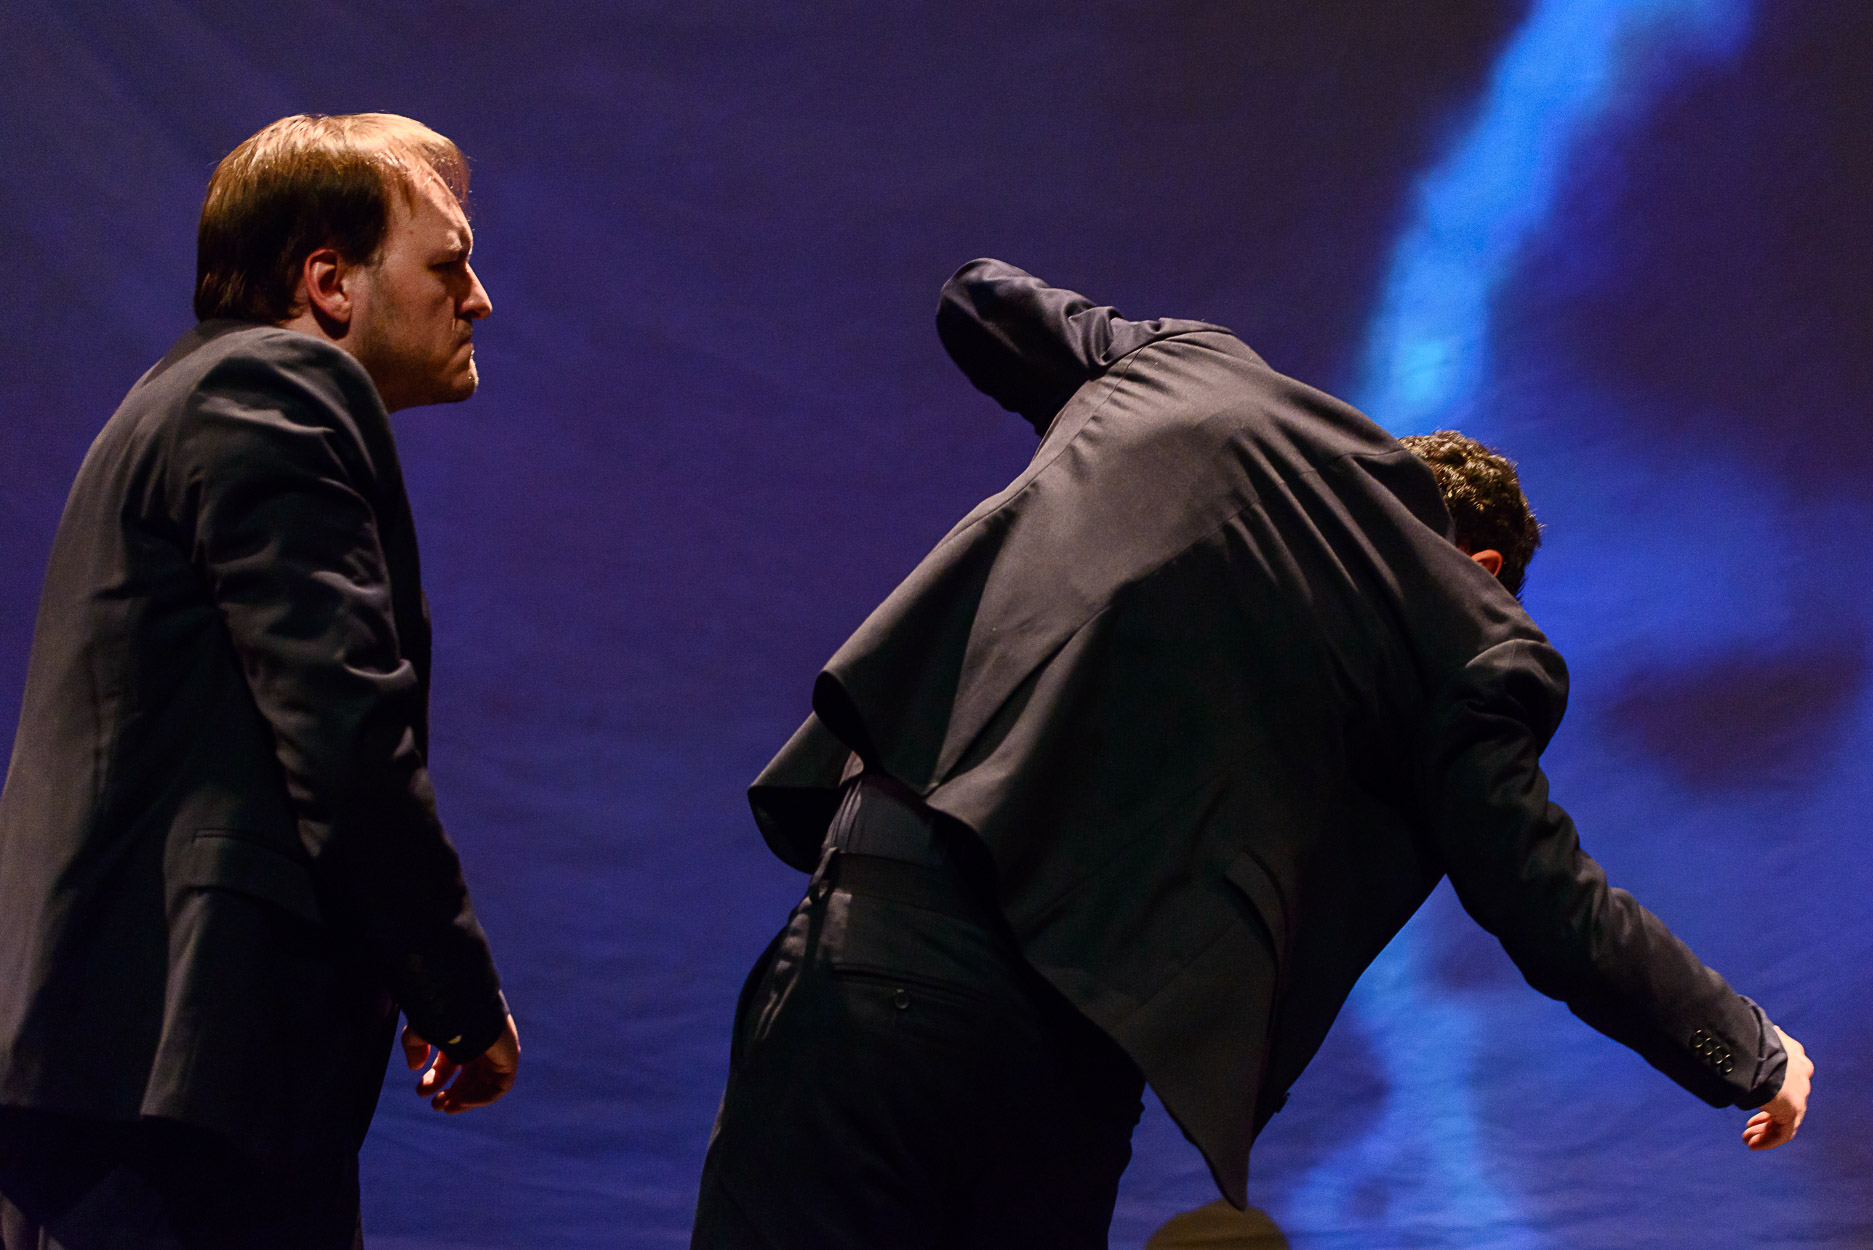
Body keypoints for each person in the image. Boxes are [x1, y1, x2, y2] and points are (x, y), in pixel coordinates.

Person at [690, 259, 1812, 1248]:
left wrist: (1103, 417)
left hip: (874, 938)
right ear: (1478, 566)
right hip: (1064, 1063)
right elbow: (1545, 897)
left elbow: (976, 302)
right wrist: (1748, 1048)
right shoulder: (1461, 630)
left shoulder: (1195, 374)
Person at [0, 113, 519, 1250]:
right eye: (448, 264)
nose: (477, 299)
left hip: (126, 1088)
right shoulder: (274, 384)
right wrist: (453, 994)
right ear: (329, 282)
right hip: (185, 1094)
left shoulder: (185, 397)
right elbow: (344, 733)